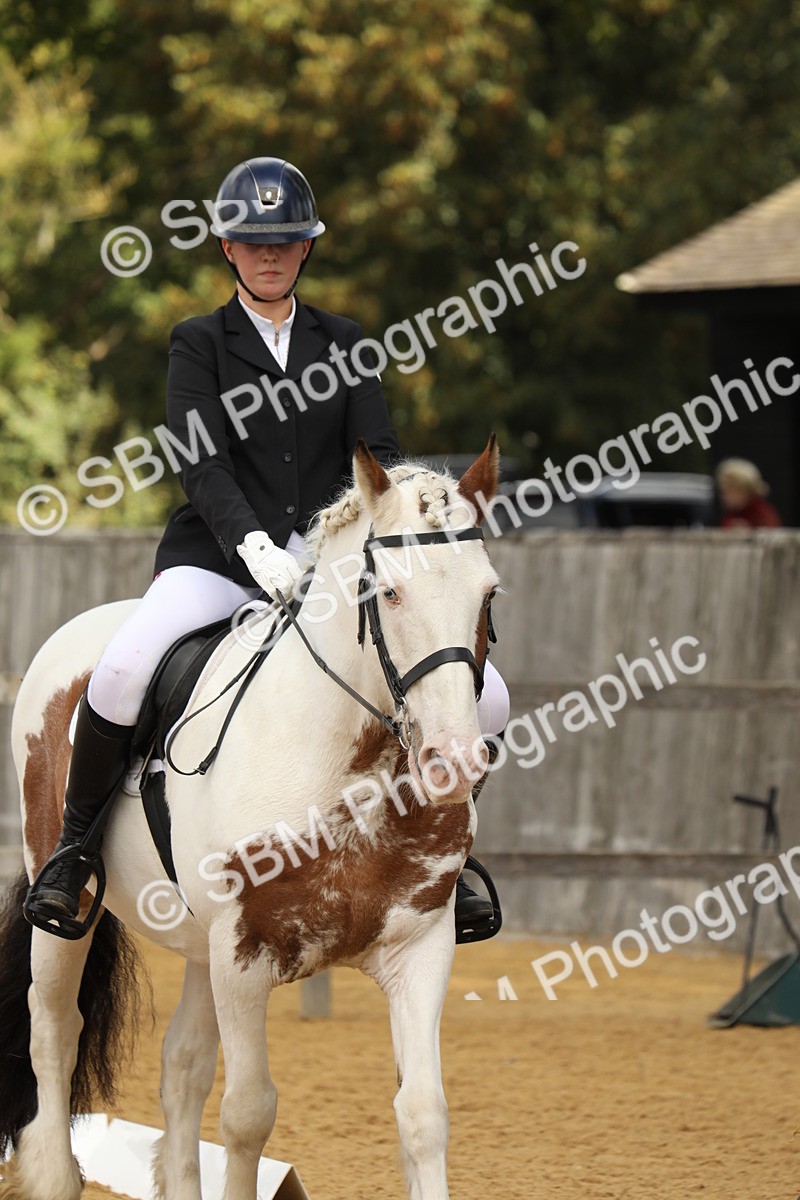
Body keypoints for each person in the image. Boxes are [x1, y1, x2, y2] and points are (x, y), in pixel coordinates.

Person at [28, 156, 509, 936]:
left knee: (490, 697)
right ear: (228, 248)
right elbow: (201, 461)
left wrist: (409, 518)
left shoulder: (345, 342)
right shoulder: (198, 343)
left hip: (328, 566)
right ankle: (74, 852)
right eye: (254, 242)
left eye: (284, 241)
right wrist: (253, 545)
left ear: (306, 247)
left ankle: (446, 857)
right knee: (118, 671)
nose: (270, 255)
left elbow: (380, 457)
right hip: (220, 559)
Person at [716, 458, 781, 529]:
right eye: (723, 490)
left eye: (729, 489)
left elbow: (772, 532)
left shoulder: (762, 513)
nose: (723, 496)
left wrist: (750, 532)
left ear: (743, 489)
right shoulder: (731, 513)